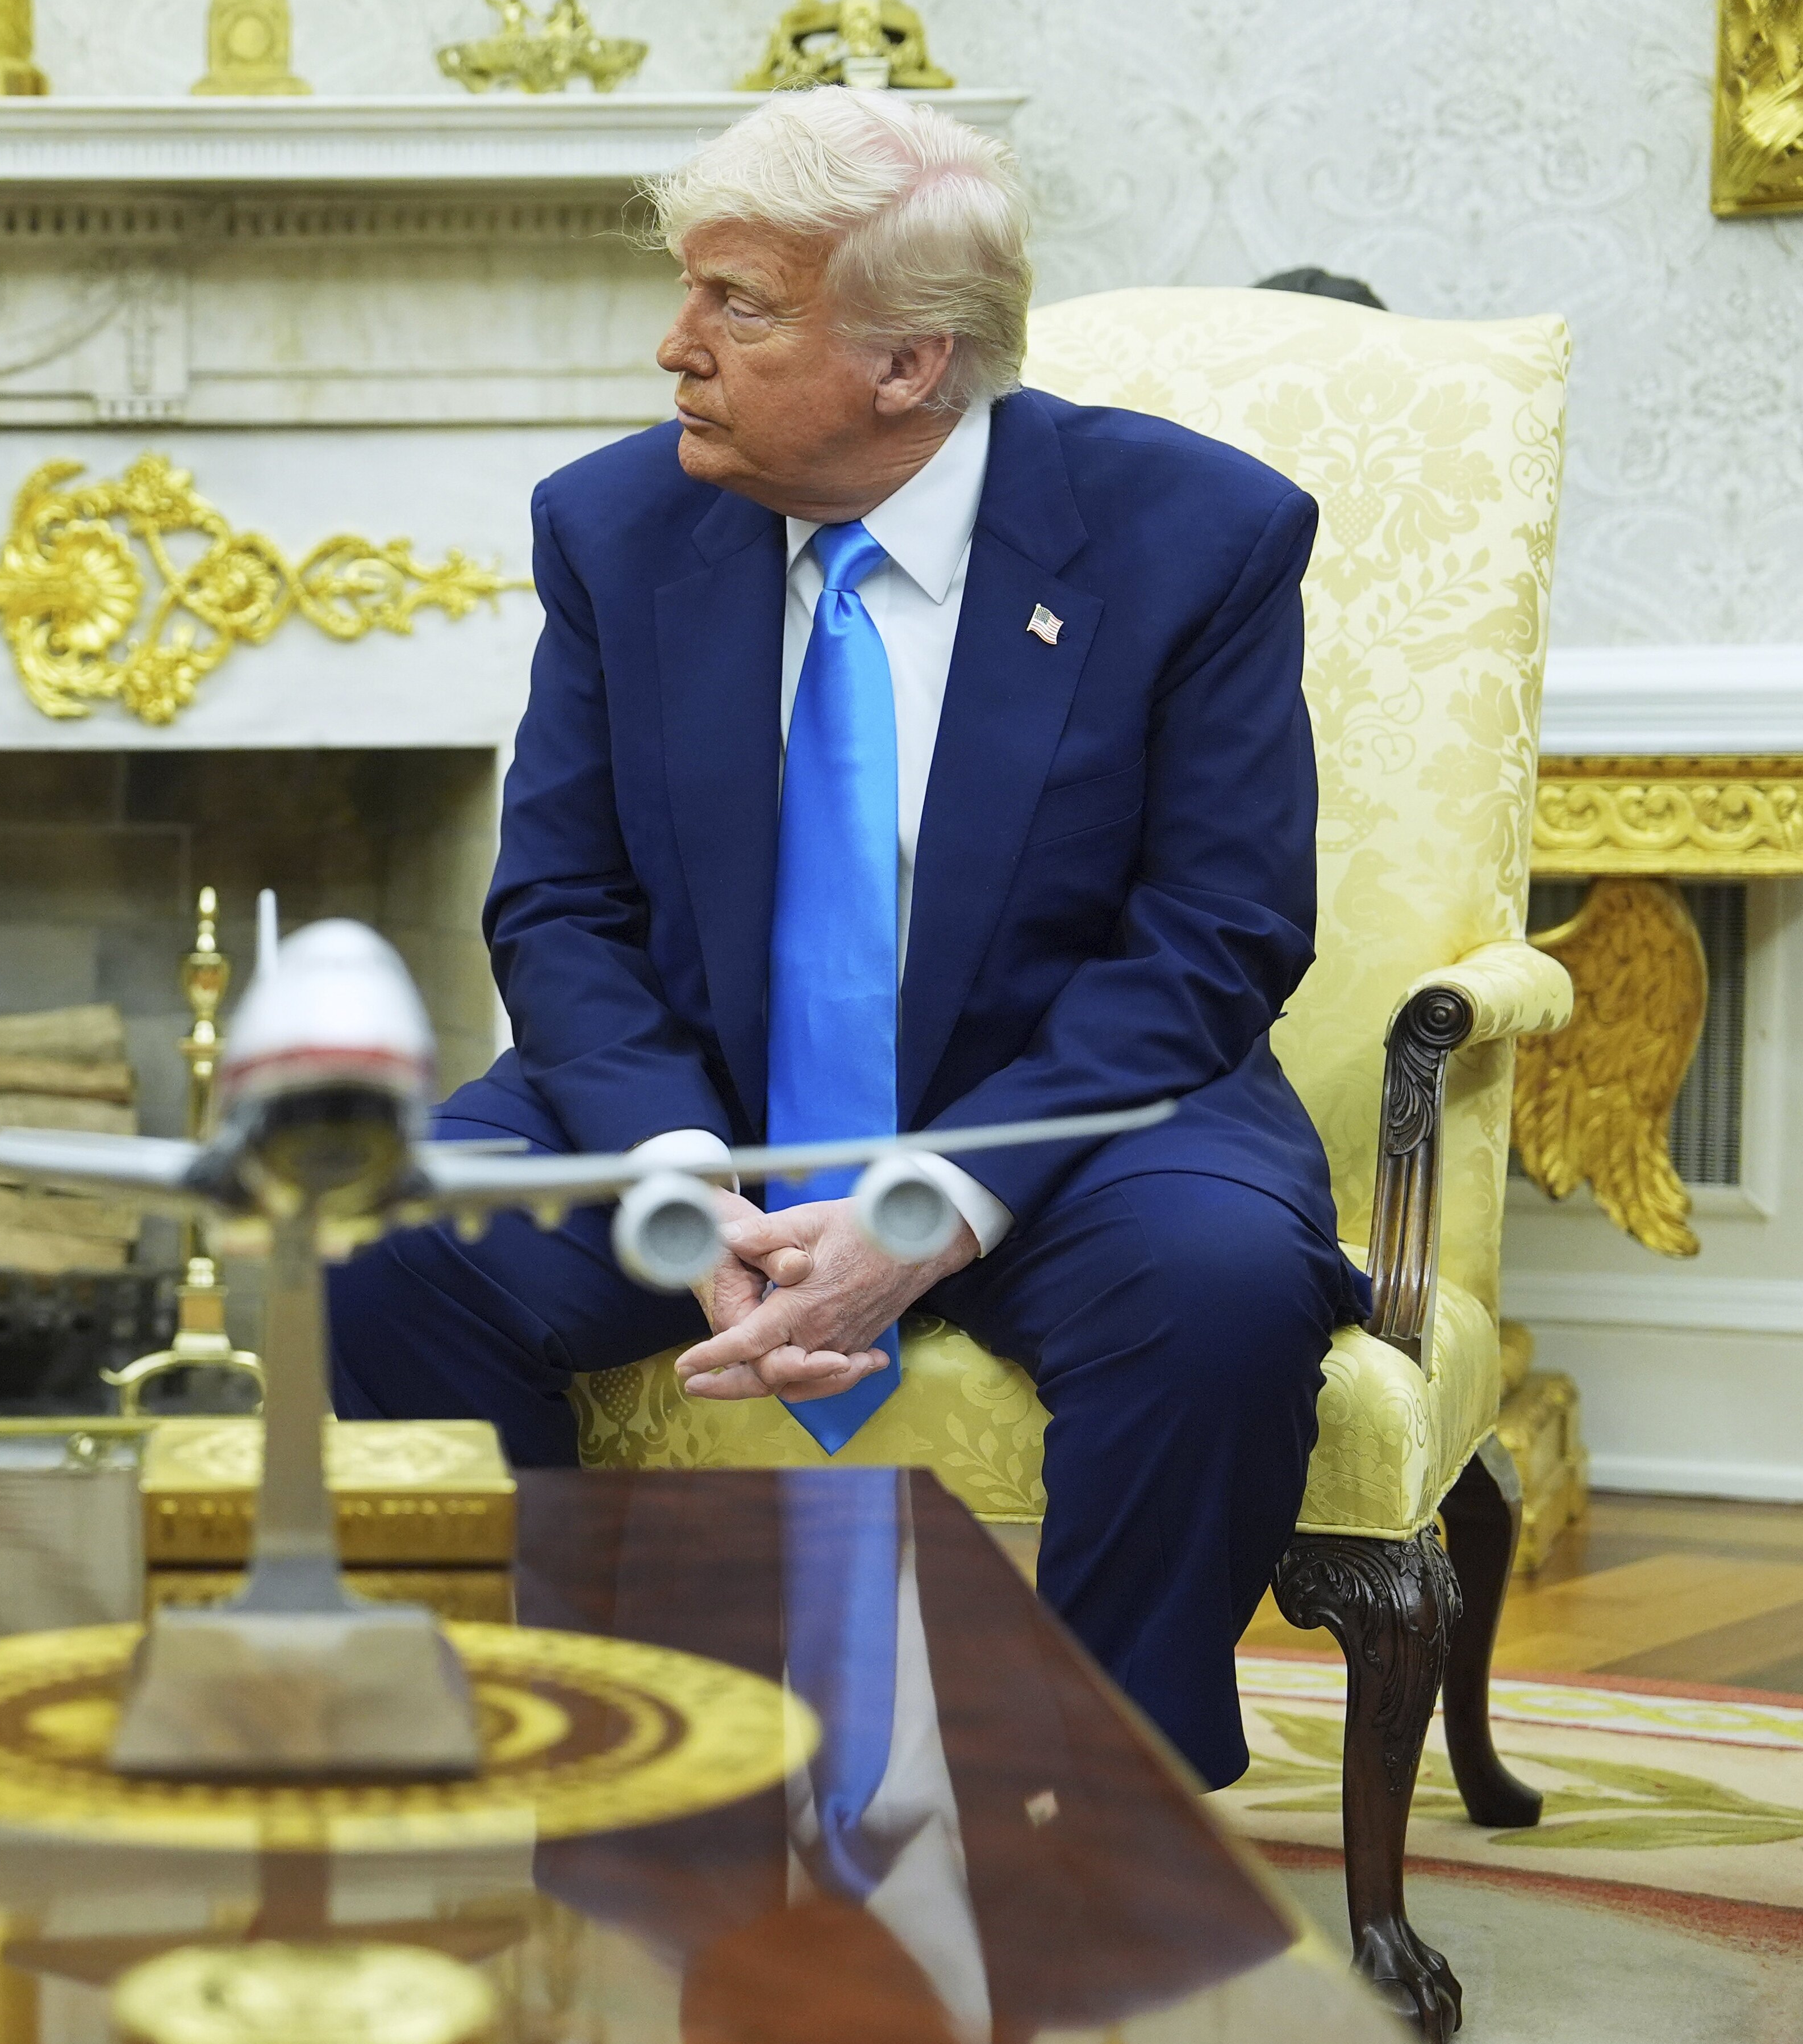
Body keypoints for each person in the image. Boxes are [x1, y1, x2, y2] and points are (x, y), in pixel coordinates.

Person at [331, 87, 1365, 1790]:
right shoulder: (617, 527)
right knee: (381, 1237)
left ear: (910, 364)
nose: (675, 348)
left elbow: (1219, 929)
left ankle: (1100, 1808)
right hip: (709, 1095)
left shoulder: (1196, 537)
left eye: (736, 306)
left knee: (1221, 1294)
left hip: (1067, 1110)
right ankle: (565, 1744)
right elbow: (562, 903)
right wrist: (670, 1172)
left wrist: (925, 1205)